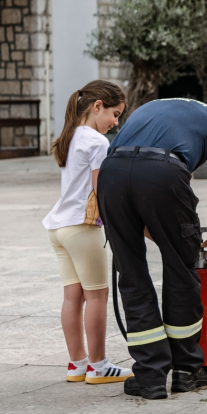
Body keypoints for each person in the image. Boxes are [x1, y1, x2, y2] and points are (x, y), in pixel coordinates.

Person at [98, 98, 207, 400]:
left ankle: (150, 376)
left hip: (111, 172)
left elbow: (138, 185)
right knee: (181, 273)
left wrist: (163, 232)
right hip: (163, 171)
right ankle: (187, 370)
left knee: (132, 275)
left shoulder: (154, 110)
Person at [42, 80, 133, 385]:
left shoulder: (71, 136)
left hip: (59, 228)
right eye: (115, 114)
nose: (115, 122)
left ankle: (77, 364)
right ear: (97, 107)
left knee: (73, 297)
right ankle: (99, 365)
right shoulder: (97, 142)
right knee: (97, 296)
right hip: (83, 228)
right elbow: (101, 190)